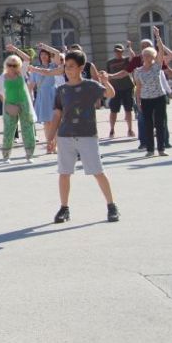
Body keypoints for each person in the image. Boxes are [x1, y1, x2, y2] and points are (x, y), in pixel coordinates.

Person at [50, 51, 120, 224]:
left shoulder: (90, 86)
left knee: (97, 171)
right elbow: (57, 114)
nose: (67, 69)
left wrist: (105, 81)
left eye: (71, 66)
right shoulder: (61, 90)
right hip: (65, 135)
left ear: (81, 68)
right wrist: (51, 137)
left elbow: (110, 94)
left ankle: (111, 205)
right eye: (66, 66)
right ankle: (64, 208)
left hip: (87, 134)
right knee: (64, 173)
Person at [0, 46, 36, 164]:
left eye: (14, 65)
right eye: (9, 65)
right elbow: (1, 93)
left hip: (24, 103)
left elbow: (27, 59)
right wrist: (7, 106)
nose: (11, 67)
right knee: (9, 130)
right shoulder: (2, 77)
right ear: (6, 65)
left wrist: (15, 50)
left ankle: (29, 155)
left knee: (28, 129)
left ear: (18, 66)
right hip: (10, 104)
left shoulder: (21, 73)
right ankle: (6, 156)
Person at [132, 47, 171, 157]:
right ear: (142, 57)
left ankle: (161, 149)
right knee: (148, 124)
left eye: (150, 55)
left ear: (153, 57)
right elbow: (138, 87)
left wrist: (158, 38)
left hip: (159, 97)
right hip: (145, 99)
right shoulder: (138, 71)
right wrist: (138, 101)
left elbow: (162, 53)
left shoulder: (157, 66)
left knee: (160, 124)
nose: (147, 57)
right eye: (145, 55)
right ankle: (150, 150)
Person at [105, 44, 136, 139]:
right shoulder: (110, 62)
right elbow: (107, 76)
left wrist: (130, 47)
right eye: (117, 51)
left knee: (128, 109)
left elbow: (133, 57)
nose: (118, 53)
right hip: (115, 89)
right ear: (114, 52)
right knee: (113, 110)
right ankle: (112, 129)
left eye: (120, 51)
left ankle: (130, 129)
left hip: (127, 87)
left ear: (122, 51)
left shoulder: (126, 60)